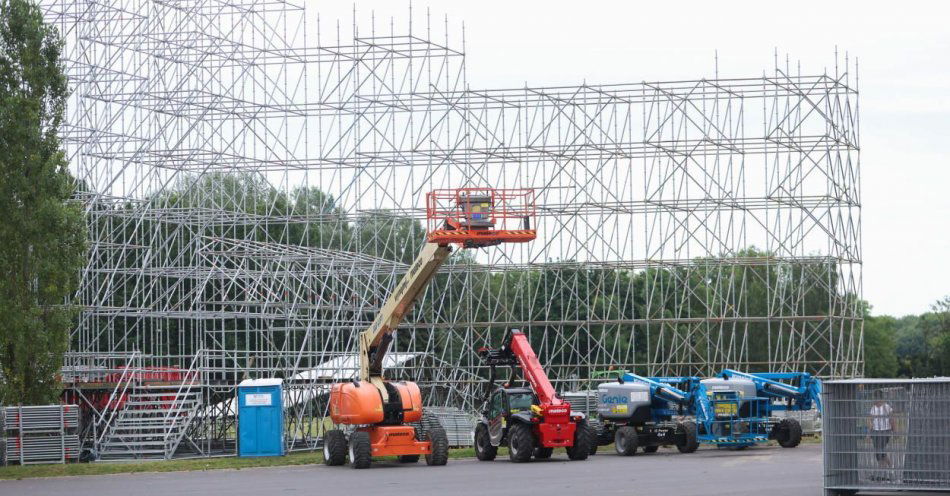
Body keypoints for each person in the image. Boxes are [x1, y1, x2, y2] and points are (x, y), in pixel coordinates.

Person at [868, 393, 895, 469]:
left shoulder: (887, 407)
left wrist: (894, 431)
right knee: (877, 450)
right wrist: (869, 433)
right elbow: (870, 420)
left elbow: (892, 420)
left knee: (880, 449)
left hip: (885, 431)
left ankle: (888, 465)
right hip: (875, 431)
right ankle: (882, 468)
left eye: (875, 398)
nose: (873, 400)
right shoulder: (873, 408)